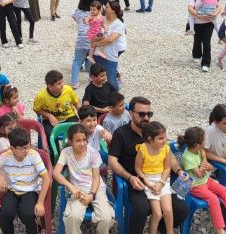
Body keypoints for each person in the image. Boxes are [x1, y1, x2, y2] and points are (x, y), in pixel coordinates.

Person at [107, 96, 188, 234]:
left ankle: (160, 229)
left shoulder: (155, 131)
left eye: (149, 114)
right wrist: (129, 178)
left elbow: (169, 155)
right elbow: (112, 161)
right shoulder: (121, 134)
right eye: (142, 114)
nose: (146, 117)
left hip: (160, 179)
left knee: (182, 209)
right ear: (131, 113)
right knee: (141, 208)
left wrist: (179, 170)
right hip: (136, 181)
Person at [177, 128, 226, 234]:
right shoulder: (187, 158)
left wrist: (207, 166)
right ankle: (219, 229)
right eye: (204, 140)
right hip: (195, 186)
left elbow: (208, 167)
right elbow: (199, 174)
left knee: (225, 191)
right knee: (213, 199)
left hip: (207, 181)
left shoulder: (200, 151)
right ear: (198, 145)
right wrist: (204, 168)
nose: (205, 142)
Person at [52, 124, 115, 234]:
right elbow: (56, 173)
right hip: (78, 190)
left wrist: (92, 194)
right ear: (70, 141)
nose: (82, 143)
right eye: (78, 141)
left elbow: (96, 178)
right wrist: (71, 187)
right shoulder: (66, 152)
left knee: (106, 217)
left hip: (96, 189)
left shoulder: (93, 153)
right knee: (72, 216)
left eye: (84, 140)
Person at [0, 128, 51, 234]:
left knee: (27, 214)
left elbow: (46, 178)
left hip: (30, 190)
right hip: (12, 190)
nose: (26, 150)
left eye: (28, 146)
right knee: (5, 214)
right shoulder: (6, 156)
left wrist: (40, 202)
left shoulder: (34, 155)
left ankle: (35, 229)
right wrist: (1, 177)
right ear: (12, 149)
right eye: (22, 148)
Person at [134, 122, 173, 234]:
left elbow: (167, 168)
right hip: (148, 180)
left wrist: (161, 183)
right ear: (150, 139)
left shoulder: (166, 148)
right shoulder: (143, 149)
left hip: (162, 179)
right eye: (160, 138)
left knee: (168, 210)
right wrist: (146, 182)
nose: (164, 140)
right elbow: (138, 168)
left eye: (165, 137)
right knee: (157, 213)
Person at [33, 70, 80, 147]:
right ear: (50, 86)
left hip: (69, 116)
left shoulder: (68, 90)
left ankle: (72, 151)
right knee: (50, 135)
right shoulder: (41, 96)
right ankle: (55, 155)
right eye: (59, 84)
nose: (62, 85)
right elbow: (36, 109)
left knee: (78, 131)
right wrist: (49, 116)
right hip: (49, 120)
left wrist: (82, 115)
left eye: (62, 82)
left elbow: (76, 103)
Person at [90, 1, 126, 91]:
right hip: (97, 54)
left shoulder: (119, 24)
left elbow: (110, 40)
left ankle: (115, 98)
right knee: (96, 78)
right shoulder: (101, 19)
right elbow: (93, 31)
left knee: (111, 80)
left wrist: (96, 43)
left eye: (107, 7)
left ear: (113, 10)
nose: (105, 8)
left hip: (110, 56)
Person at [189, 0, 221, 72]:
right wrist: (199, 16)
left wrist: (215, 13)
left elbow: (219, 7)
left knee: (206, 42)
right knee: (197, 40)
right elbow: (190, 9)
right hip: (197, 22)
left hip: (208, 22)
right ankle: (196, 55)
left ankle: (206, 63)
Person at [70, 0, 95, 89]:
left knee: (77, 60)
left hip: (81, 38)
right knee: (91, 58)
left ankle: (74, 82)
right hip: (92, 38)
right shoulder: (94, 12)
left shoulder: (78, 11)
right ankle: (91, 76)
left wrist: (80, 24)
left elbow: (73, 17)